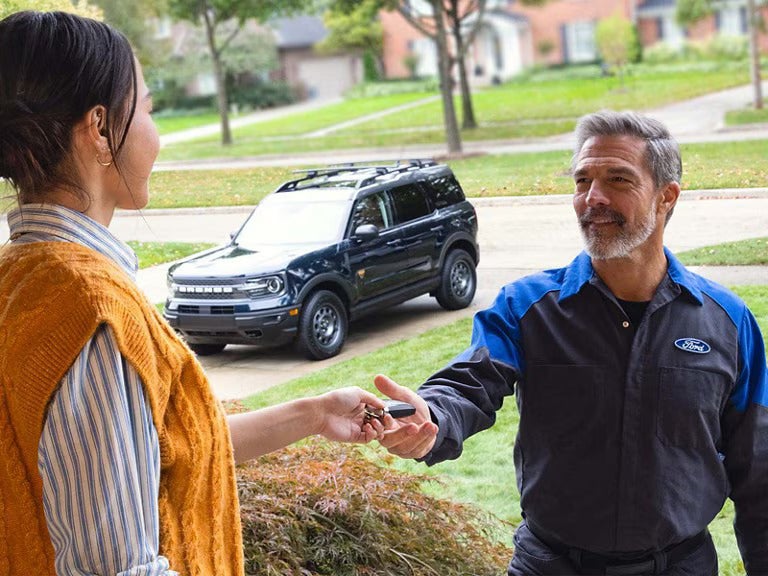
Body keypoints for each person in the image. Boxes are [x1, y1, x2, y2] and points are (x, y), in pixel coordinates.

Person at [0, 11, 393, 575]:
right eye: (149, 109)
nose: (156, 135)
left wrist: (314, 413)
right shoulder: (87, 308)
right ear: (100, 129)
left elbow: (158, 450)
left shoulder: (20, 278)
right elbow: (118, 566)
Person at [374, 110, 768, 575]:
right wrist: (433, 417)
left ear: (667, 196)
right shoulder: (527, 306)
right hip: (551, 564)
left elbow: (758, 469)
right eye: (583, 181)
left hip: (679, 565)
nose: (593, 198)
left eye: (618, 179)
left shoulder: (726, 321)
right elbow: (471, 381)